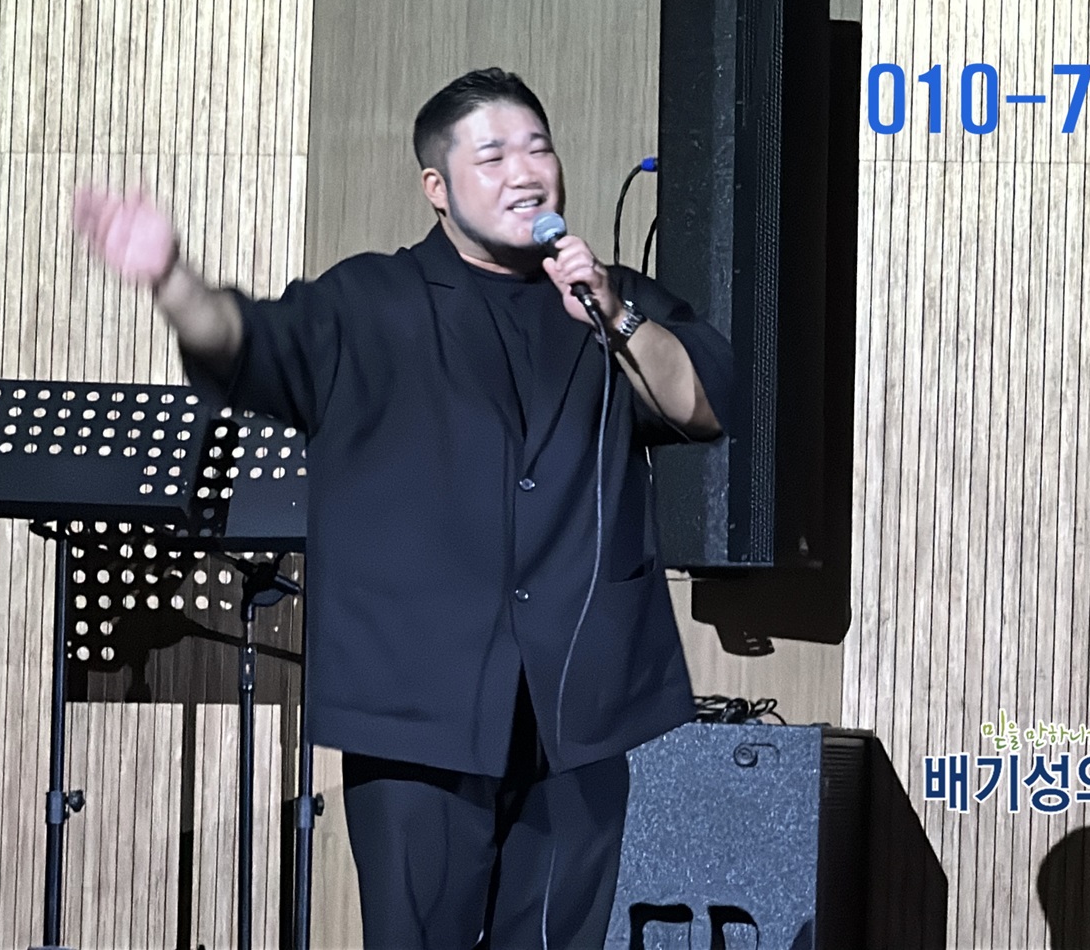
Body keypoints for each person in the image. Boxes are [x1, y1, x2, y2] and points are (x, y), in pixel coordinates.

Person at [72, 68, 733, 948]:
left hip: (582, 700)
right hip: (421, 704)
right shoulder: (368, 302)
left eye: (538, 148)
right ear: (437, 187)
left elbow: (703, 404)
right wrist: (172, 280)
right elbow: (245, 343)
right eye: (492, 156)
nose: (525, 171)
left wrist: (614, 315)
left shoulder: (604, 299)